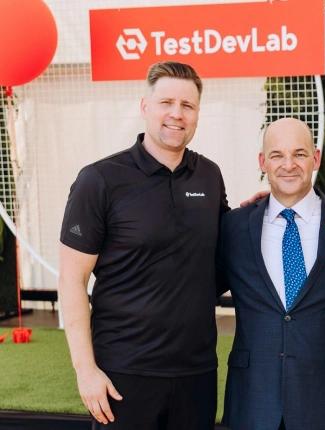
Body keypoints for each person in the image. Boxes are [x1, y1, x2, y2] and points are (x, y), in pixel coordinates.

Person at [58, 61, 228, 430]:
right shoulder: (99, 180)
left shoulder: (210, 176)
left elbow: (226, 246)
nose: (176, 114)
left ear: (197, 113)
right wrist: (85, 371)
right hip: (123, 375)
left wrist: (264, 208)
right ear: (145, 106)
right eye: (166, 102)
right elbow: (71, 280)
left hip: (196, 374)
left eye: (188, 106)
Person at [218, 118, 325, 430]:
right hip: (252, 402)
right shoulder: (233, 227)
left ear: (315, 158)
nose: (288, 165)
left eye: (299, 154)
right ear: (263, 162)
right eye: (277, 155)